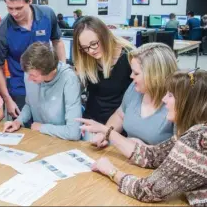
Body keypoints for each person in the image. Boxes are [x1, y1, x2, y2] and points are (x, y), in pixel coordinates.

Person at [77, 69, 207, 205]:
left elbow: (146, 191)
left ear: (187, 102)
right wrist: (107, 132)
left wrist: (110, 170)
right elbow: (152, 156)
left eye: (170, 95)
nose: (164, 99)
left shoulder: (197, 141)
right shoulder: (196, 131)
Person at [0, 0, 66, 122]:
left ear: (30, 0)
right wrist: (7, 100)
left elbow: (57, 41)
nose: (14, 13)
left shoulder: (47, 14)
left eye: (19, 8)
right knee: (25, 133)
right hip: (21, 90)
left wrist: (63, 70)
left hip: (50, 83)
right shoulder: (1, 32)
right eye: (10, 8)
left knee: (53, 128)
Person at [80, 43, 177, 148]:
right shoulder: (134, 89)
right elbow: (120, 115)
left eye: (136, 73)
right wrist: (105, 134)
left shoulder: (177, 103)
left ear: (155, 76)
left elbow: (181, 152)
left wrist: (145, 149)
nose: (131, 76)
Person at [3, 42, 82, 140]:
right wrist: (18, 121)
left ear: (47, 71)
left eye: (33, 76)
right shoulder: (30, 73)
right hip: (40, 138)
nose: (29, 79)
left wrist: (42, 127)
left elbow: (73, 133)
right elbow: (30, 104)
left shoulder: (69, 79)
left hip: (62, 141)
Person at [73, 16, 134, 130]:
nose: (91, 51)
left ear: (104, 35)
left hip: (118, 127)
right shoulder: (86, 58)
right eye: (85, 48)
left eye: (94, 43)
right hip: (91, 123)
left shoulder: (129, 57)